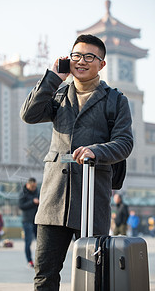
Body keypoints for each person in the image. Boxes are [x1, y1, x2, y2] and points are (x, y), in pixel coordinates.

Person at [20, 34, 133, 290]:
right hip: (54, 199)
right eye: (76, 56)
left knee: (95, 276)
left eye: (89, 57)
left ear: (101, 64)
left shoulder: (116, 100)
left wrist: (97, 151)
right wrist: (52, 77)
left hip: (92, 199)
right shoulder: (58, 95)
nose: (81, 62)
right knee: (45, 275)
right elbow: (28, 114)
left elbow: (125, 143)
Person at [19, 177, 39, 268]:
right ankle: (29, 260)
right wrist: (32, 202)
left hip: (37, 220)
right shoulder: (23, 193)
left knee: (40, 241)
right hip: (27, 221)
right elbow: (21, 206)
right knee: (28, 241)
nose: (33, 188)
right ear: (27, 185)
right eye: (32, 187)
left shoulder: (37, 192)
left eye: (34, 187)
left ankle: (39, 260)